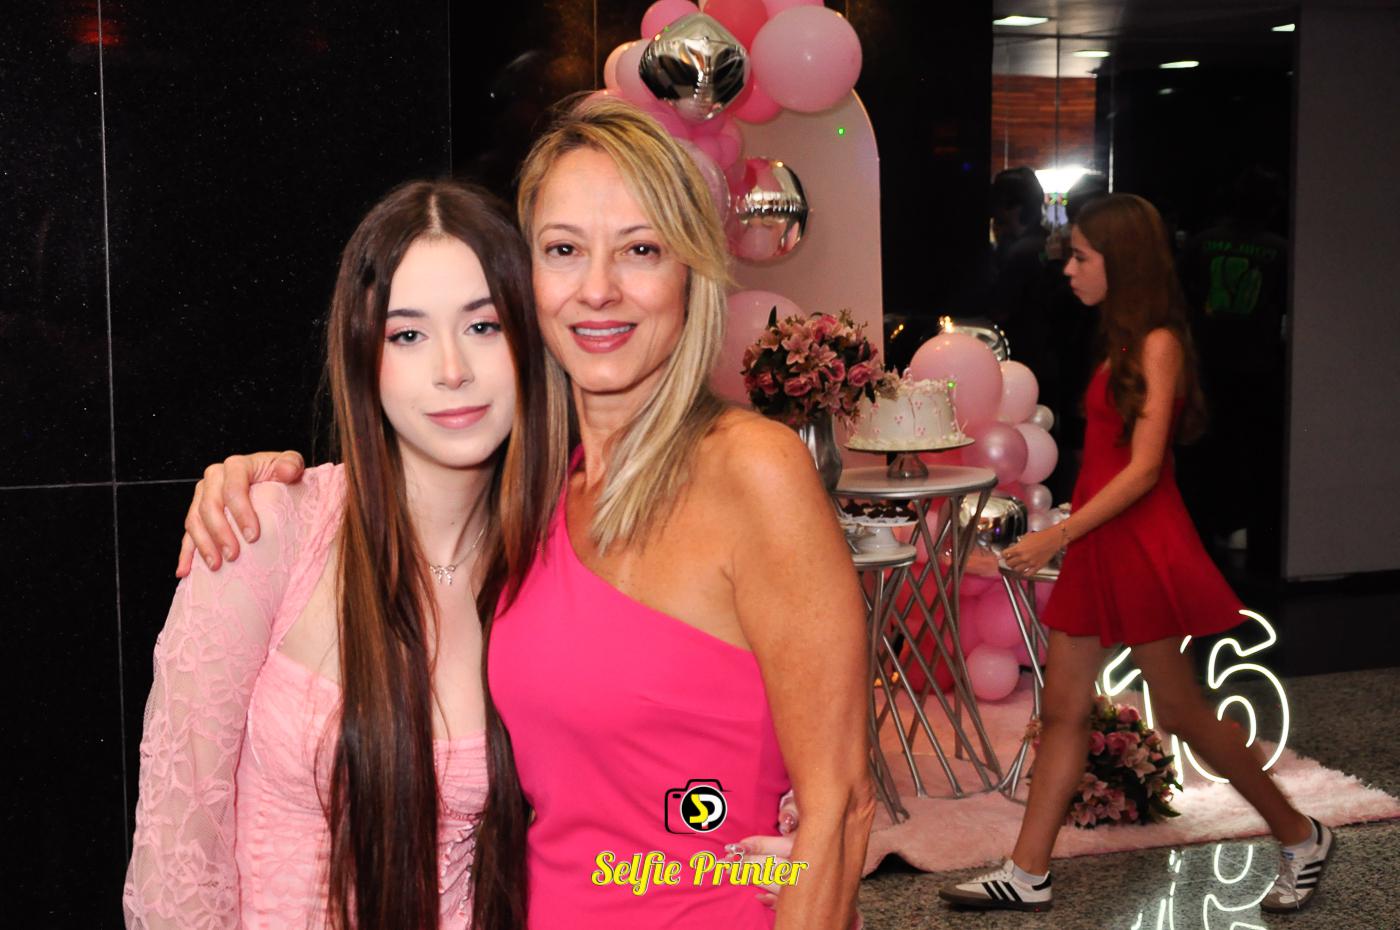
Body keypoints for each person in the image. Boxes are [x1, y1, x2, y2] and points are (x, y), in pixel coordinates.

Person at [174, 97, 874, 930]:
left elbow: (839, 805)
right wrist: (257, 481)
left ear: (690, 272)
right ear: (527, 284)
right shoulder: (536, 502)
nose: (599, 289)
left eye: (641, 249)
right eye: (564, 250)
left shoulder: (752, 471)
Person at [123, 180, 557, 929]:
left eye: (484, 326)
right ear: (363, 357)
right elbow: (176, 859)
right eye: (407, 335)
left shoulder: (557, 564)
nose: (452, 368)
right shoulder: (268, 529)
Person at [938, 194, 1331, 915]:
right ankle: (1027, 871)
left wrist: (1057, 534)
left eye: (1082, 256)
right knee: (1064, 709)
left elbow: (1145, 468)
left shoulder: (1157, 342)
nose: (1069, 269)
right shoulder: (1122, 342)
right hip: (1102, 540)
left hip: (1137, 543)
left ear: (1121, 261)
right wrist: (1071, 528)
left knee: (1182, 713)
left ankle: (1301, 835)